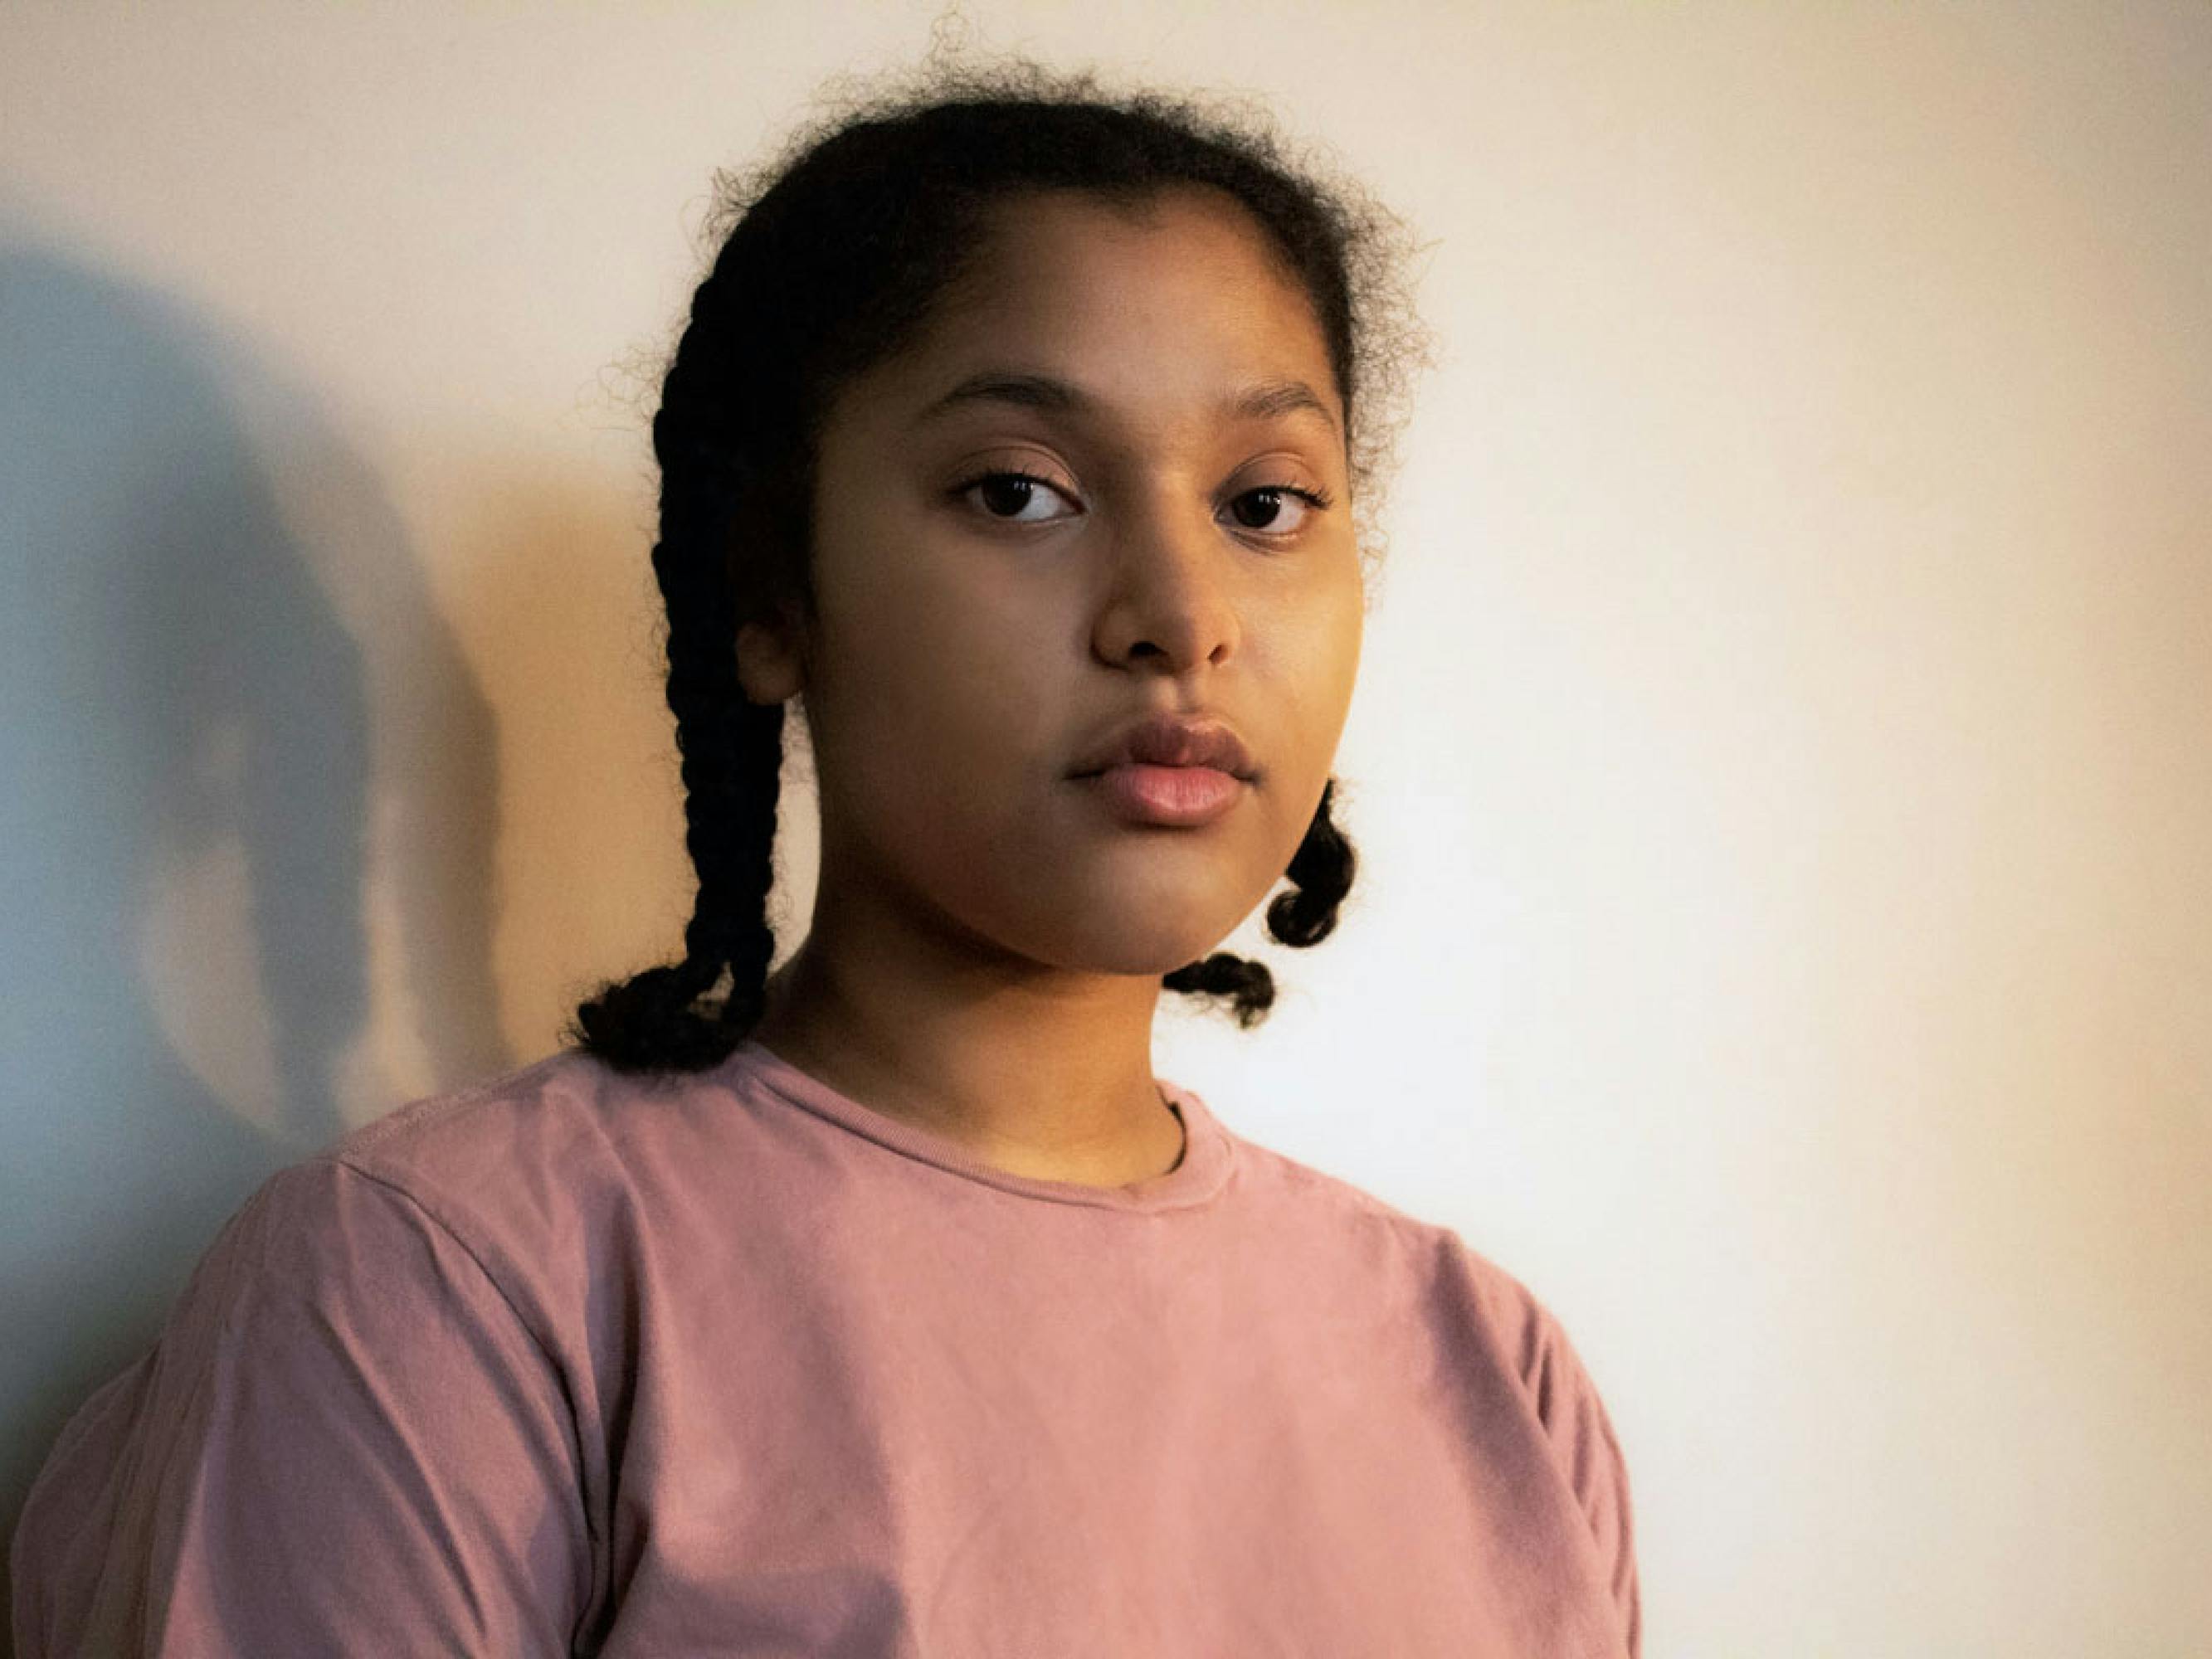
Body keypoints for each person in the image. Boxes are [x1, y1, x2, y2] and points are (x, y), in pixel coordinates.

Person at [10, 52, 1641, 1659]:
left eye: (1267, 504)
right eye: (1019, 491)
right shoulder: (445, 1285)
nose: (1184, 617)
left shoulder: (1494, 1374)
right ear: (772, 596)